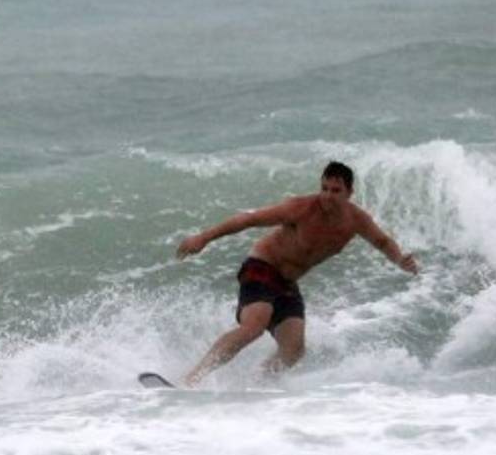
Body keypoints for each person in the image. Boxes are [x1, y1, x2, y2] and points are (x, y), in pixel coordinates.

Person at [175, 161, 418, 386]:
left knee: (293, 349)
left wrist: (399, 259)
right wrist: (204, 237)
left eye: (335, 191)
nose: (327, 196)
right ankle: (191, 380)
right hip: (262, 267)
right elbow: (248, 220)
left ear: (349, 193)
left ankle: (255, 385)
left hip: (287, 283)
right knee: (254, 327)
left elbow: (382, 241)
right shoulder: (300, 209)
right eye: (324, 188)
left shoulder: (355, 220)